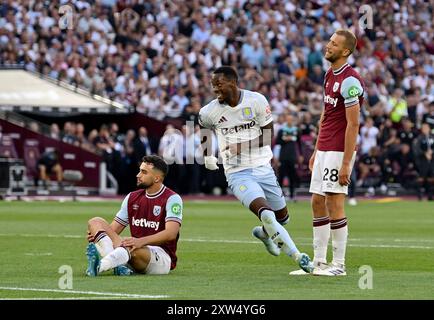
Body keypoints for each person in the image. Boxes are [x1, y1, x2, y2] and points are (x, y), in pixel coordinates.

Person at [199, 66, 314, 274]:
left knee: (283, 219)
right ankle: (299, 256)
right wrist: (207, 155)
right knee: (267, 215)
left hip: (263, 168)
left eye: (219, 85)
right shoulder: (209, 111)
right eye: (213, 86)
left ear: (233, 82)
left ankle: (263, 234)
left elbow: (269, 137)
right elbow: (204, 128)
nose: (215, 90)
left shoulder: (257, 101)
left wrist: (240, 146)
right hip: (237, 173)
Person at [290, 29, 364, 276]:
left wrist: (346, 162)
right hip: (324, 148)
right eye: (329, 41)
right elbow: (326, 116)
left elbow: (353, 124)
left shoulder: (350, 81)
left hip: (338, 149)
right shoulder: (328, 75)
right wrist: (315, 150)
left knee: (334, 202)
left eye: (334, 44)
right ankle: (319, 262)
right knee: (317, 201)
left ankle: (339, 265)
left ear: (346, 51)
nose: (328, 46)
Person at [85, 155, 183, 276]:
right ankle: (118, 265)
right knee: (95, 222)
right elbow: (113, 230)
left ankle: (100, 266)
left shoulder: (172, 198)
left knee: (132, 248)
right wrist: (100, 235)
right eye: (139, 171)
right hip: (130, 250)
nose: (138, 175)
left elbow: (171, 234)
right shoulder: (132, 197)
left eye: (144, 172)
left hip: (161, 256)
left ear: (157, 178)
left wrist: (140, 242)